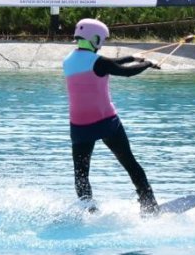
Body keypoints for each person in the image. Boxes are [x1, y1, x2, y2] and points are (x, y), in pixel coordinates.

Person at [63, 18, 160, 216]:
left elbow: (108, 64)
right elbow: (124, 73)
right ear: (96, 38)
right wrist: (148, 63)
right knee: (131, 164)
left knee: (81, 174)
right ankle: (149, 205)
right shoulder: (98, 62)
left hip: (80, 127)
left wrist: (132, 57)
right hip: (107, 122)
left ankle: (88, 211)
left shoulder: (68, 61)